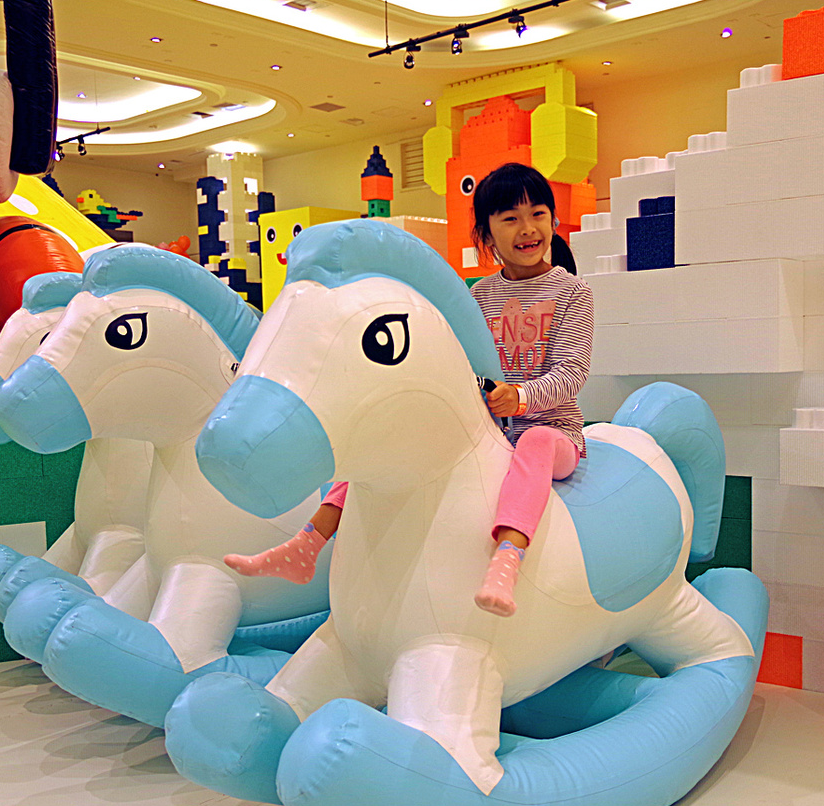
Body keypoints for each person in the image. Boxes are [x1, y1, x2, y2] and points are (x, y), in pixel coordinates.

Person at [225, 162, 593, 620]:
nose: (527, 229)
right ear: (487, 232)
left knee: (536, 443)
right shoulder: (479, 296)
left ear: (554, 221)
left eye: (538, 214)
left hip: (550, 429)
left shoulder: (572, 291)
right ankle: (307, 543)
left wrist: (518, 397)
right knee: (390, 437)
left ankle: (508, 556)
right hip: (490, 427)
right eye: (510, 218)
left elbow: (572, 372)